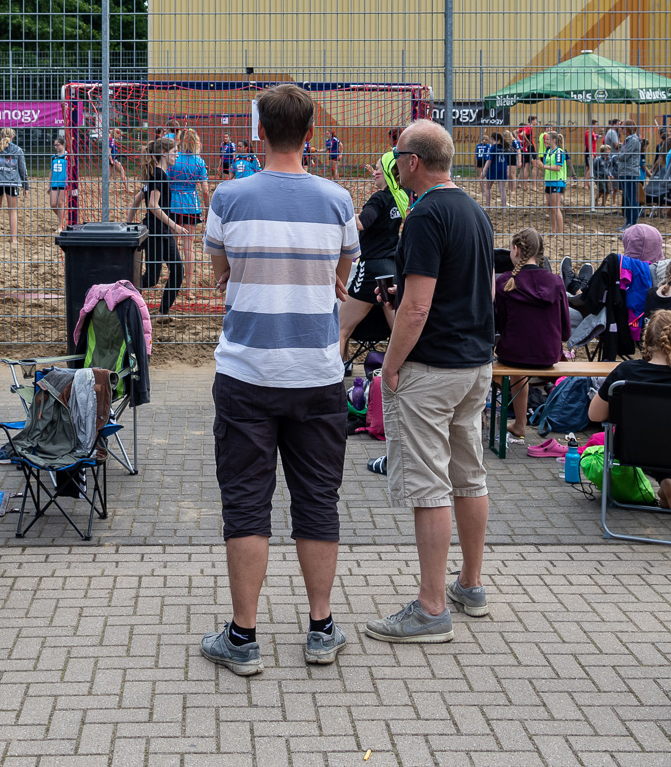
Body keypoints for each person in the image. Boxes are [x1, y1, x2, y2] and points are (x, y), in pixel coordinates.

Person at [199, 84, 359, 675]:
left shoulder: (229, 195)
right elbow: (343, 277)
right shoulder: (339, 199)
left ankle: (243, 637)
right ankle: (320, 628)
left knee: (246, 502)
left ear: (258, 134)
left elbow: (218, 271)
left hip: (246, 370)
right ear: (311, 135)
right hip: (316, 372)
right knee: (318, 500)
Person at [365, 119, 495, 646]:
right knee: (470, 475)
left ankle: (431, 606)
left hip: (433, 367)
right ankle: (471, 585)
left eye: (398, 156)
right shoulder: (472, 208)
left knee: (430, 486)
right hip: (474, 363)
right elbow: (483, 288)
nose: (394, 164)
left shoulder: (424, 215)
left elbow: (416, 307)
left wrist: (391, 364)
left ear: (412, 162)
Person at [586, 309, 671, 513]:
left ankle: (667, 485)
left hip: (632, 449)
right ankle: (670, 483)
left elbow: (595, 415)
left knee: (651, 436)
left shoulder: (626, 372)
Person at [493, 227, 569, 452]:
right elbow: (565, 328)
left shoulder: (506, 281)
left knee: (515, 365)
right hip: (548, 353)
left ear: (515, 250)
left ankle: (519, 422)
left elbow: (500, 324)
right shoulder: (556, 282)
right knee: (519, 365)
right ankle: (520, 423)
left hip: (514, 352)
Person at [338, 177, 403, 362]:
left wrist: (340, 216)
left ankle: (337, 378)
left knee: (341, 329)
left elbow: (362, 223)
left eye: (378, 169)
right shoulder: (400, 196)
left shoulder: (379, 198)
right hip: (391, 268)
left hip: (372, 269)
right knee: (398, 330)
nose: (374, 172)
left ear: (389, 173)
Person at [128, 138, 182, 317]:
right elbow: (152, 205)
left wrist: (128, 223)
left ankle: (163, 312)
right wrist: (176, 226)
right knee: (151, 278)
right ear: (164, 153)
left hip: (161, 231)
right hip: (156, 232)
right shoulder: (158, 174)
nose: (176, 155)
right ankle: (126, 296)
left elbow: (137, 199)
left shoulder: (156, 174)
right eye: (174, 151)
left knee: (178, 270)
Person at [168, 128, 209, 271]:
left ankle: (174, 281)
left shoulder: (173, 158)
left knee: (173, 246)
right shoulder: (199, 162)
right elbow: (205, 191)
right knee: (189, 247)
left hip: (173, 205)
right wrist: (207, 209)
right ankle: (189, 289)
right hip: (192, 205)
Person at [0, 127, 27, 246]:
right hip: (11, 182)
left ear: (0, 136)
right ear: (13, 137)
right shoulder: (17, 150)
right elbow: (23, 169)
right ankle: (13, 239)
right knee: (12, 210)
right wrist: (26, 186)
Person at [535, 132, 568, 234]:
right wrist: (537, 165)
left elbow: (558, 168)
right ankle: (553, 230)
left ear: (554, 140)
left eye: (548, 139)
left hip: (557, 181)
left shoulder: (559, 152)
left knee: (555, 206)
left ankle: (560, 231)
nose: (546, 141)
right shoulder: (548, 152)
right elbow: (545, 166)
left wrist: (543, 166)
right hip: (549, 182)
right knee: (550, 207)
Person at [616, 121, 646, 229]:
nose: (621, 129)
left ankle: (632, 223)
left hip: (630, 172)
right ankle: (628, 222)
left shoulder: (633, 140)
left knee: (631, 198)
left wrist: (618, 155)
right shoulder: (628, 140)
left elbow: (624, 156)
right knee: (627, 198)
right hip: (624, 172)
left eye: (623, 127)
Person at [482, 132, 510, 209]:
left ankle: (488, 207)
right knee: (502, 189)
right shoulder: (504, 147)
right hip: (503, 169)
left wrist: (484, 171)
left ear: (492, 139)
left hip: (493, 169)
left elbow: (489, 160)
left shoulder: (493, 147)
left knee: (487, 188)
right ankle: (504, 209)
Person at [47, 137, 69, 234]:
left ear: (63, 145)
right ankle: (62, 217)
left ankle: (60, 225)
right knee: (53, 204)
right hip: (54, 182)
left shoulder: (68, 156)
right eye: (55, 145)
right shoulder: (54, 157)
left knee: (61, 203)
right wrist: (49, 185)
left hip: (64, 182)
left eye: (58, 145)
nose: (56, 146)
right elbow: (51, 171)